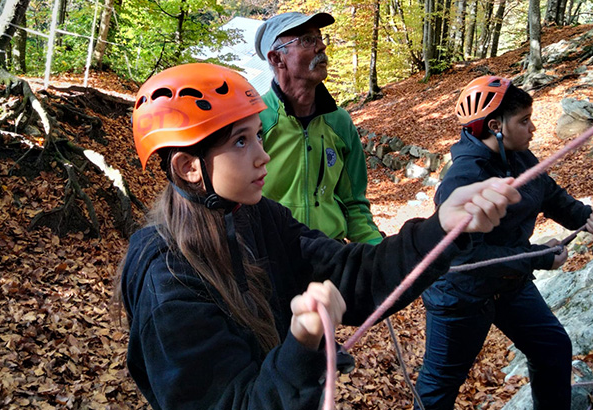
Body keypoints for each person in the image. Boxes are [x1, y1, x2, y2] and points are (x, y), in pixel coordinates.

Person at [120, 64, 520, 410]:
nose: (263, 155)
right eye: (241, 141)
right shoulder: (168, 280)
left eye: (258, 135)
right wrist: (301, 344)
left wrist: (442, 228)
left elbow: (351, 271)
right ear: (189, 167)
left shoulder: (258, 216)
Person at [414, 76, 593, 410]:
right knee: (440, 386)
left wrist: (586, 217)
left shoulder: (521, 158)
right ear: (496, 125)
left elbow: (552, 197)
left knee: (552, 348)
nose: (533, 128)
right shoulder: (464, 177)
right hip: (460, 294)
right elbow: (468, 256)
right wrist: (539, 256)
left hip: (509, 285)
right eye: (524, 120)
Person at [254, 12, 382, 244]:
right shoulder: (255, 121)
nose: (321, 46)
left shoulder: (339, 121)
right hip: (272, 258)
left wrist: (379, 254)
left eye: (320, 37)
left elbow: (354, 205)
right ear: (276, 59)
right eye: (307, 40)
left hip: (330, 254)